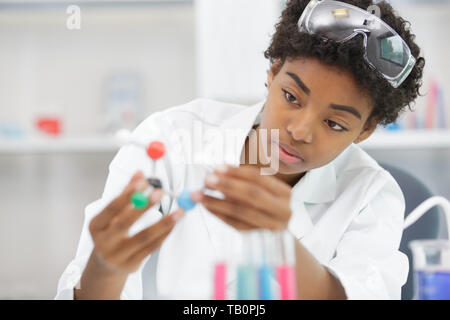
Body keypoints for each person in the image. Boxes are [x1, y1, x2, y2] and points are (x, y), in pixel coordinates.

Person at [55, 0, 425, 300]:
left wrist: (278, 240)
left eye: (335, 124)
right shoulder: (171, 139)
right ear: (272, 73)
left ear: (366, 130)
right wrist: (105, 268)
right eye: (291, 97)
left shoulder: (370, 195)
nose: (299, 131)